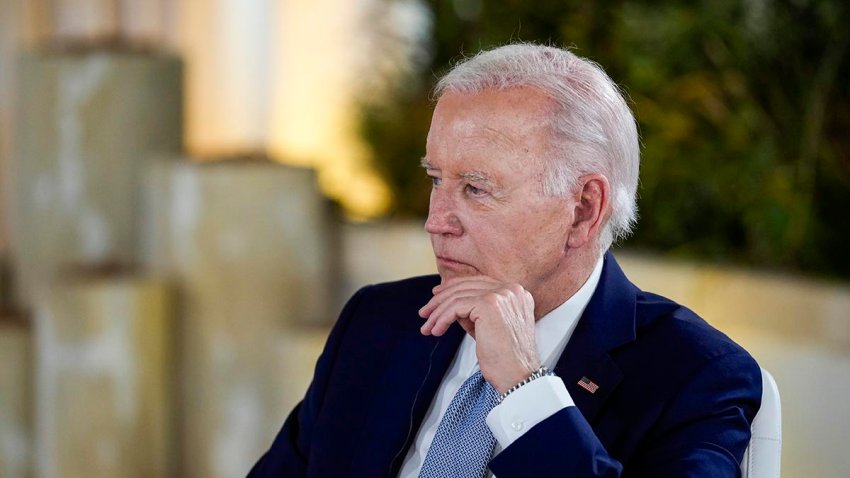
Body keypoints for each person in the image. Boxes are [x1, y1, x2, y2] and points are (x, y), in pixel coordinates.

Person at [249, 43, 762, 477]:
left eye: (475, 188)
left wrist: (524, 387)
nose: (437, 220)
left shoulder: (697, 374)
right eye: (436, 180)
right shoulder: (380, 321)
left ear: (583, 209)